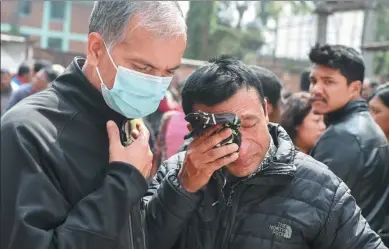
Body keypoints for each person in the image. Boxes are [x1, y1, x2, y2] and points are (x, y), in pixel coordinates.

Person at [145, 56, 386, 249]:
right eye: (218, 134)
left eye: (248, 124)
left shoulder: (320, 187)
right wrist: (183, 189)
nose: (241, 148)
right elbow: (138, 240)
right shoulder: (174, 172)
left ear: (265, 111)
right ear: (193, 129)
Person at [0, 1, 186, 249]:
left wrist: (186, 186)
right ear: (96, 49)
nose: (156, 84)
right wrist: (122, 184)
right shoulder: (28, 132)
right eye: (143, 68)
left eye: (168, 72)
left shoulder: (129, 127)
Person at [308, 44, 389, 238]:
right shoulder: (363, 127)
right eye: (313, 80)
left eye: (328, 81)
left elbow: (315, 213)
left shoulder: (344, 136)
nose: (316, 89)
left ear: (355, 88)